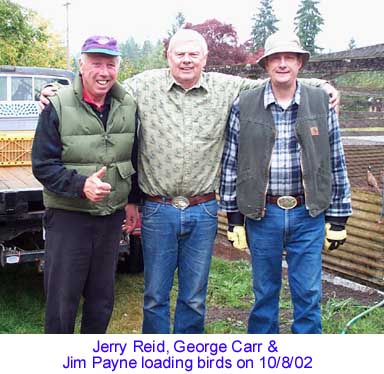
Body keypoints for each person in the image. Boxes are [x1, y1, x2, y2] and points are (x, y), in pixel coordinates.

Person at [40, 29, 339, 334]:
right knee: (155, 296)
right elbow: (99, 85)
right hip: (158, 209)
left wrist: (321, 86)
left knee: (194, 297)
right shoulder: (143, 86)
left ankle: (188, 356)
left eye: (193, 54)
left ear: (205, 59)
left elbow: (274, 82)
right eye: (179, 53)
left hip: (204, 209)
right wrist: (54, 89)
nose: (186, 60)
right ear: (167, 57)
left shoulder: (226, 88)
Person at [220, 31, 352, 334]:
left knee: (307, 295)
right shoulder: (245, 103)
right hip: (263, 215)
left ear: (299, 63)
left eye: (289, 57)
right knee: (264, 293)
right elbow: (231, 161)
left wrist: (339, 217)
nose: (282, 64)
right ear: (266, 64)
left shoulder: (321, 102)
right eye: (275, 58)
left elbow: (335, 159)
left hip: (308, 214)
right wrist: (233, 219)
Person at [32, 35, 138, 334]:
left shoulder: (128, 103)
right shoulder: (58, 104)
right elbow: (43, 165)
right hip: (68, 217)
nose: (103, 72)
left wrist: (132, 201)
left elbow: (134, 155)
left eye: (110, 64)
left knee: (102, 299)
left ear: (118, 67)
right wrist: (81, 186)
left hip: (110, 217)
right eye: (95, 63)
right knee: (62, 302)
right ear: (81, 65)